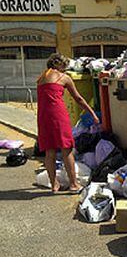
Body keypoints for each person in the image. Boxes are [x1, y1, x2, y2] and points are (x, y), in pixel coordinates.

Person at [37, 53, 99, 193]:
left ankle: (54, 185)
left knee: (50, 150)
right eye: (64, 66)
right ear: (60, 65)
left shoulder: (41, 78)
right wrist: (93, 114)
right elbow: (78, 99)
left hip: (43, 116)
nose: (65, 69)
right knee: (67, 149)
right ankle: (73, 184)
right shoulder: (64, 78)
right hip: (58, 115)